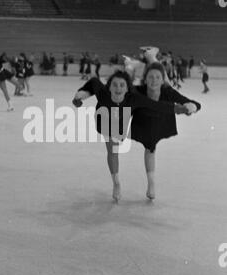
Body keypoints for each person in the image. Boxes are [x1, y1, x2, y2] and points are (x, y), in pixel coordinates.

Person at [72, 71, 189, 203]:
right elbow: (93, 82)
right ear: (109, 87)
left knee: (117, 145)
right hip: (104, 118)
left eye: (122, 85)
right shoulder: (103, 93)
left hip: (121, 118)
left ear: (128, 88)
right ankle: (116, 184)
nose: (118, 88)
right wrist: (80, 95)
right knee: (112, 150)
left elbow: (156, 105)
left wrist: (179, 109)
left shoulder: (133, 98)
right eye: (114, 85)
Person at [132, 63, 201, 200]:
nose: (154, 80)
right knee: (150, 148)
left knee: (151, 149)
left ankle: (152, 57)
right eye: (150, 77)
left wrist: (191, 107)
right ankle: (151, 183)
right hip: (143, 123)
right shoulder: (138, 90)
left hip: (161, 121)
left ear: (163, 80)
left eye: (158, 77)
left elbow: (194, 104)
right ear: (145, 79)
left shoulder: (167, 92)